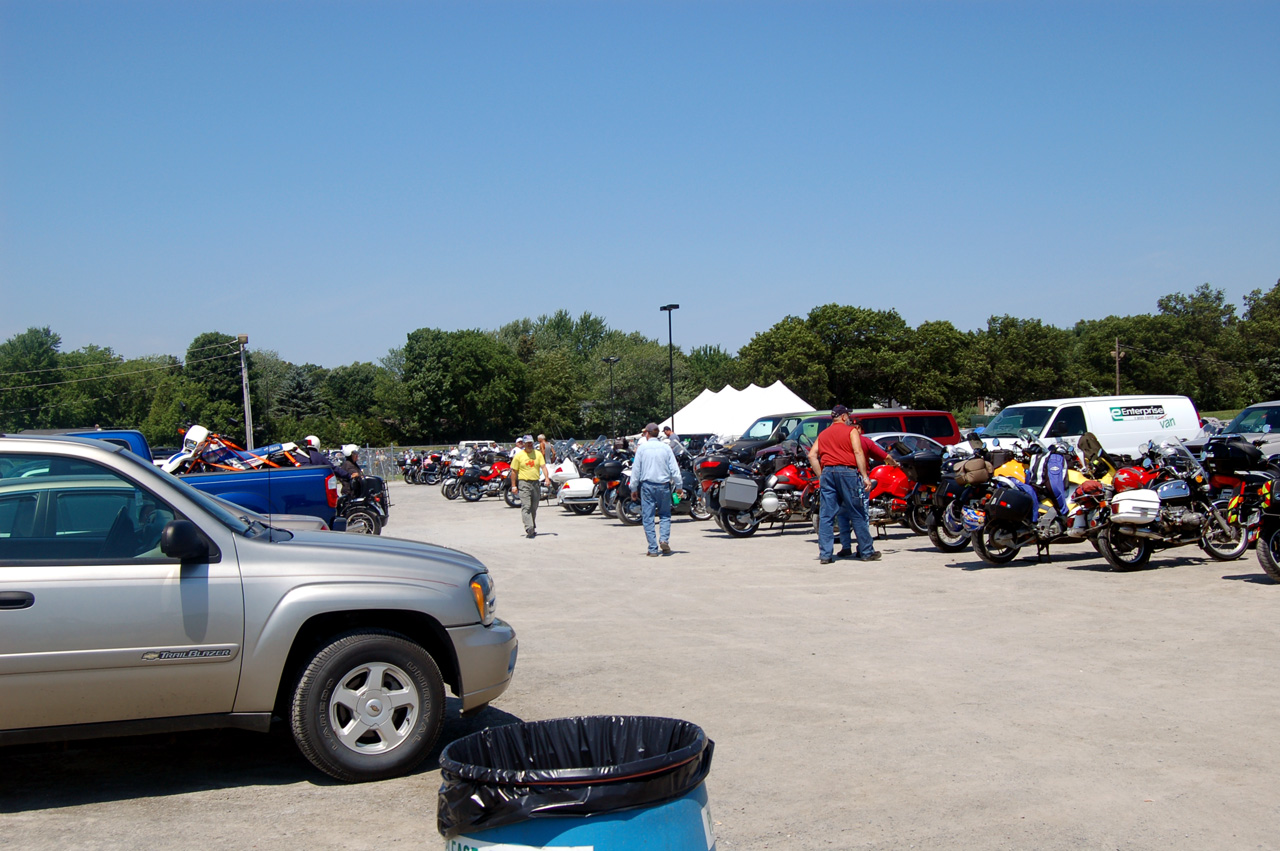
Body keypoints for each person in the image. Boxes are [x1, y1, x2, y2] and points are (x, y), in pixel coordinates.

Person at [807, 405, 879, 564]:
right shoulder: (851, 431)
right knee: (857, 511)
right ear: (844, 417)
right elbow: (858, 452)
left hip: (828, 473)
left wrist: (821, 476)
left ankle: (825, 555)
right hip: (847, 473)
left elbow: (812, 455)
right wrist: (865, 476)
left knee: (826, 515)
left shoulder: (823, 434)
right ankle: (866, 551)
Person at [631, 422, 682, 557]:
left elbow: (636, 470)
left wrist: (633, 488)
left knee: (648, 517)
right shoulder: (666, 448)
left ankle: (653, 548)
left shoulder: (642, 449)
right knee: (665, 514)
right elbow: (674, 469)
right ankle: (664, 539)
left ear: (647, 434)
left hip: (647, 486)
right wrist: (679, 487)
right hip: (664, 485)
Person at [509, 434, 553, 538]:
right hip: (524, 483)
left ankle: (532, 524)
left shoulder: (537, 454)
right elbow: (514, 472)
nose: (530, 445)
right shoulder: (519, 456)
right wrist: (514, 485)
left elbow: (543, 467)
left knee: (534, 506)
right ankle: (529, 528)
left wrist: (547, 478)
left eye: (531, 443)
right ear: (524, 444)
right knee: (526, 506)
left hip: (535, 483)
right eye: (527, 443)